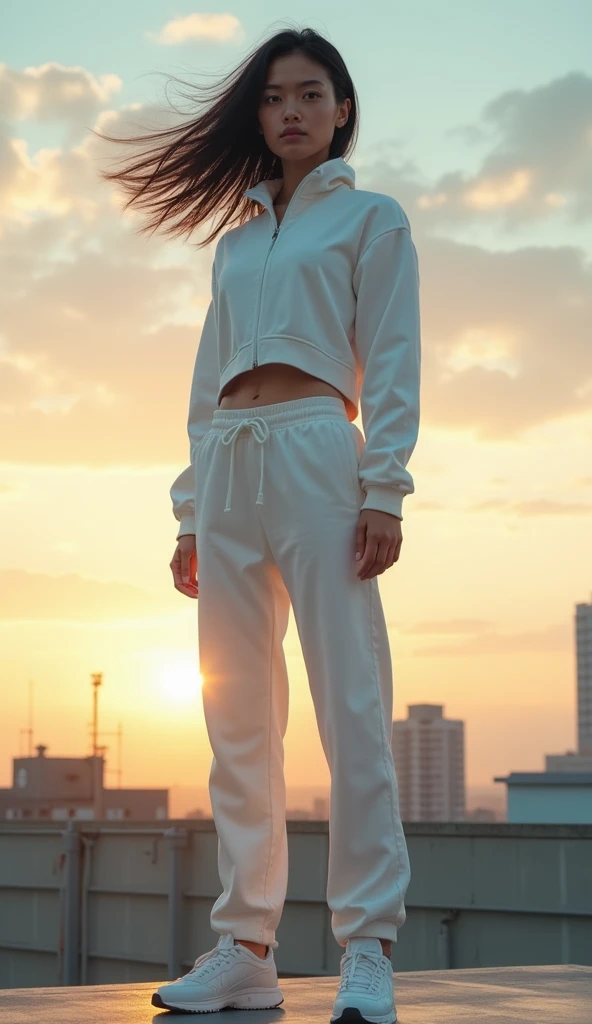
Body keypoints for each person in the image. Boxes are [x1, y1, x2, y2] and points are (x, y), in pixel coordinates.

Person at [97, 26, 420, 1024]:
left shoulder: (372, 219)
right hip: (230, 466)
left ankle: (366, 947)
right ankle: (245, 946)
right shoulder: (235, 244)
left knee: (351, 706)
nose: (291, 110)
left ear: (340, 109)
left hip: (322, 451)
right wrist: (190, 513)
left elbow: (395, 357)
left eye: (310, 94)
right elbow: (204, 387)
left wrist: (384, 487)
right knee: (237, 719)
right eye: (275, 96)